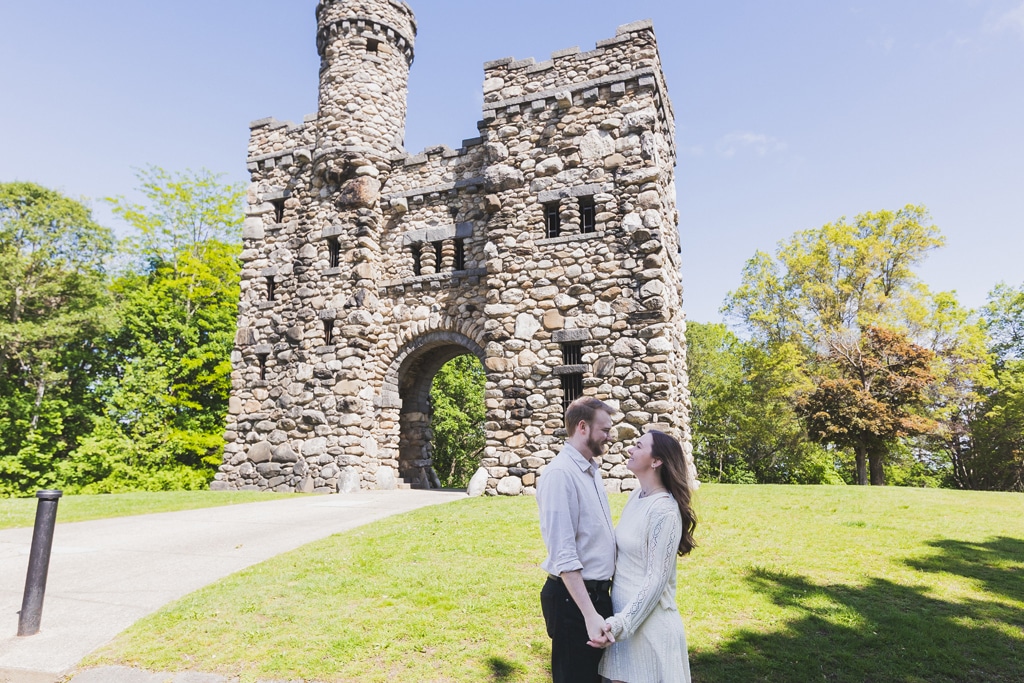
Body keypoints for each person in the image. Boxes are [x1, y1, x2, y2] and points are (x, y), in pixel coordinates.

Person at [591, 430, 698, 683]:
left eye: (638, 446)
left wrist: (620, 625)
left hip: (649, 631)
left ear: (656, 460)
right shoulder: (635, 497)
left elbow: (655, 581)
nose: (630, 450)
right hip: (624, 627)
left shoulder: (664, 511)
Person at [536, 396, 617, 683]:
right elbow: (563, 554)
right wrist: (590, 613)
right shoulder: (561, 474)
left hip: (595, 597)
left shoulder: (591, 470)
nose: (610, 436)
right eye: (605, 430)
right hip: (574, 602)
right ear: (582, 427)